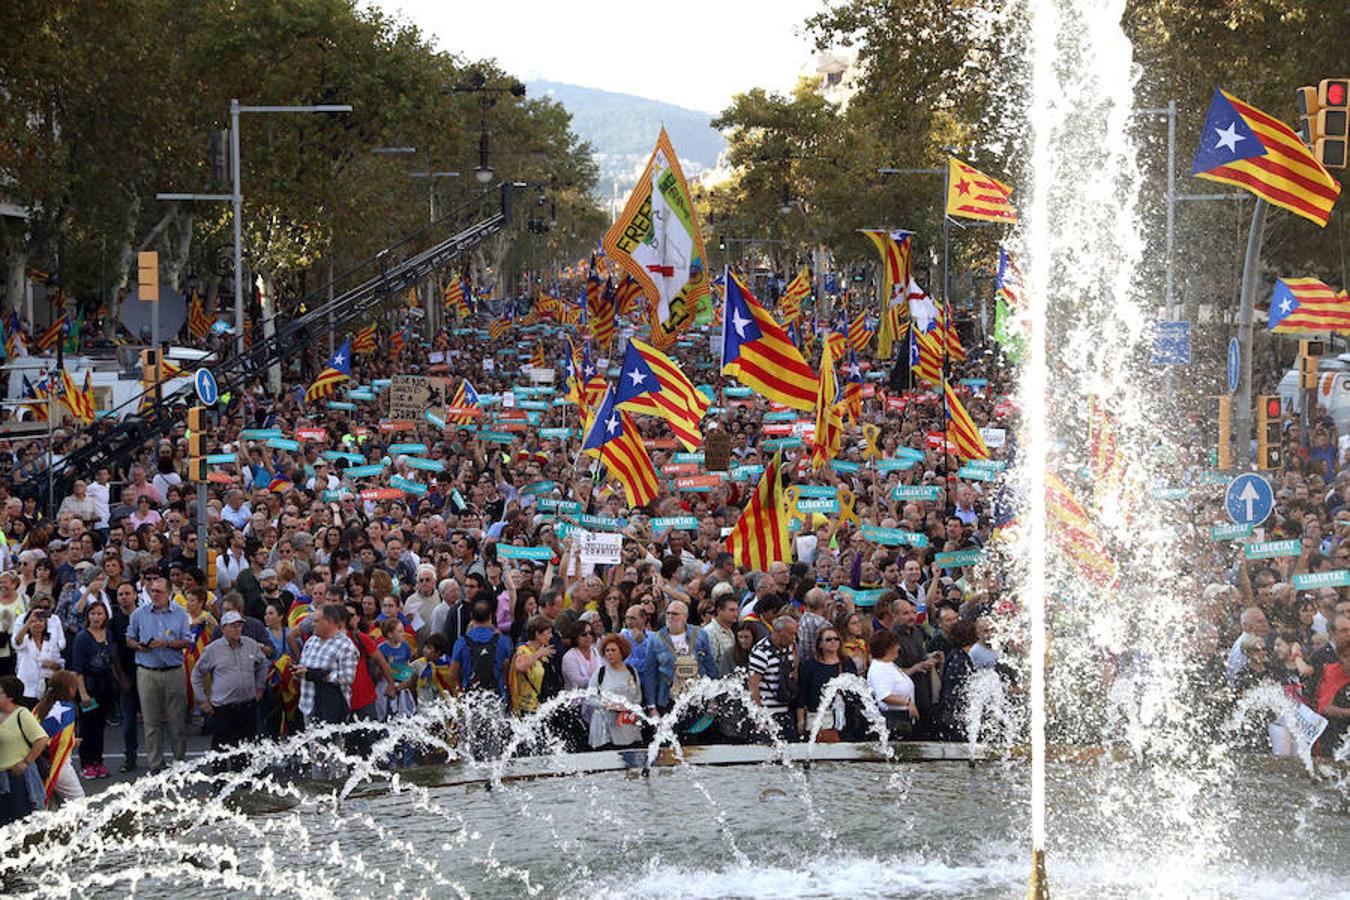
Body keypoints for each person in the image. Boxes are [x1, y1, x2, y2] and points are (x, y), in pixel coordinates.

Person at [125, 575, 192, 773]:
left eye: (159, 592)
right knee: (151, 722)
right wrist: (138, 646)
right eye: (152, 591)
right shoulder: (139, 614)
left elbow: (187, 641)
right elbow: (129, 638)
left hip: (173, 671)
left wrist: (168, 643)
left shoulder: (180, 614)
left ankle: (179, 763)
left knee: (177, 722)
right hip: (147, 671)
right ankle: (156, 765)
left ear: (169, 593)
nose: (155, 595)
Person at [190, 610, 268, 767]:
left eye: (239, 625)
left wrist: (260, 687)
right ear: (224, 628)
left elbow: (263, 664)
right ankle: (219, 782)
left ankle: (243, 783)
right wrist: (202, 700)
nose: (237, 629)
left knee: (245, 747)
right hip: (223, 708)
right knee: (221, 748)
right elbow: (197, 674)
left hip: (247, 705)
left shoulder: (251, 645)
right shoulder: (213, 649)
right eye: (233, 626)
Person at [642, 600, 717, 719]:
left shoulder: (700, 634)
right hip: (668, 699)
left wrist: (713, 698)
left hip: (697, 696)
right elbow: (650, 674)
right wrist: (652, 707)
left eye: (675, 614)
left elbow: (710, 666)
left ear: (685, 617)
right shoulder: (656, 639)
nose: (670, 616)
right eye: (668, 613)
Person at [71, 601, 120, 778]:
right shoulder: (82, 637)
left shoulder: (108, 634)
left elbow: (112, 659)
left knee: (100, 726)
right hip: (89, 688)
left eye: (99, 614)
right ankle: (86, 763)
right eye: (92, 614)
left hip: (105, 687)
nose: (96, 617)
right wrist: (83, 693)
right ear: (87, 616)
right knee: (87, 726)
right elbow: (78, 668)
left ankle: (98, 761)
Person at [295, 604, 359, 727]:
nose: (312, 624)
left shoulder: (345, 646)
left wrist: (316, 675)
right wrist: (299, 672)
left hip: (331, 710)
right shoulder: (311, 641)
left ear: (329, 622)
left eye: (316, 621)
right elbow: (305, 666)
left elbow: (347, 678)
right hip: (307, 705)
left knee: (331, 746)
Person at [0, 675, 48, 825]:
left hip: (17, 779)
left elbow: (41, 739)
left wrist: (26, 762)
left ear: (10, 696)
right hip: (2, 778)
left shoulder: (22, 714)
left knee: (19, 823)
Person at [798, 626, 859, 741]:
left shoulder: (847, 663)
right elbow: (802, 695)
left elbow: (855, 691)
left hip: (844, 718)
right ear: (820, 643)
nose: (833, 642)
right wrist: (801, 720)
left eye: (836, 639)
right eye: (828, 639)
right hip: (819, 719)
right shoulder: (810, 665)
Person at [747, 615, 800, 741]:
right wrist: (759, 715)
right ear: (778, 632)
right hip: (767, 711)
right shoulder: (761, 652)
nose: (794, 638)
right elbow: (753, 685)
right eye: (791, 634)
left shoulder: (788, 647)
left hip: (785, 709)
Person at [586, 634, 642, 749]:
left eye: (613, 650)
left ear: (622, 652)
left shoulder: (632, 671)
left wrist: (626, 707)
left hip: (627, 726)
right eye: (607, 651)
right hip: (605, 727)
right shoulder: (600, 673)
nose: (609, 653)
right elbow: (589, 698)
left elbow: (638, 696)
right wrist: (608, 705)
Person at [867, 630, 919, 739]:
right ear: (888, 648)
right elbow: (884, 696)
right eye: (896, 645)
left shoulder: (888, 664)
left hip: (902, 719)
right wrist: (908, 702)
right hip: (892, 720)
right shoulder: (879, 669)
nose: (899, 647)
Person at [938, 619, 979, 742]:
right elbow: (956, 691)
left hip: (954, 715)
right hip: (955, 717)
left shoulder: (956, 655)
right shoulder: (959, 660)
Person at [12, 602, 62, 700]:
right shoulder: (25, 639)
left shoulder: (51, 640)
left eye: (40, 621)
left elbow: (59, 664)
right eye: (33, 622)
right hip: (25, 689)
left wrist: (53, 665)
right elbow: (17, 641)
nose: (37, 624)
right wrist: (30, 618)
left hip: (45, 689)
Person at [508, 616, 555, 717]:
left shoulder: (542, 652)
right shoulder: (523, 650)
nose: (551, 636)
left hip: (539, 707)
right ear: (538, 634)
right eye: (548, 633)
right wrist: (538, 654)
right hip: (525, 708)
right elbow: (520, 666)